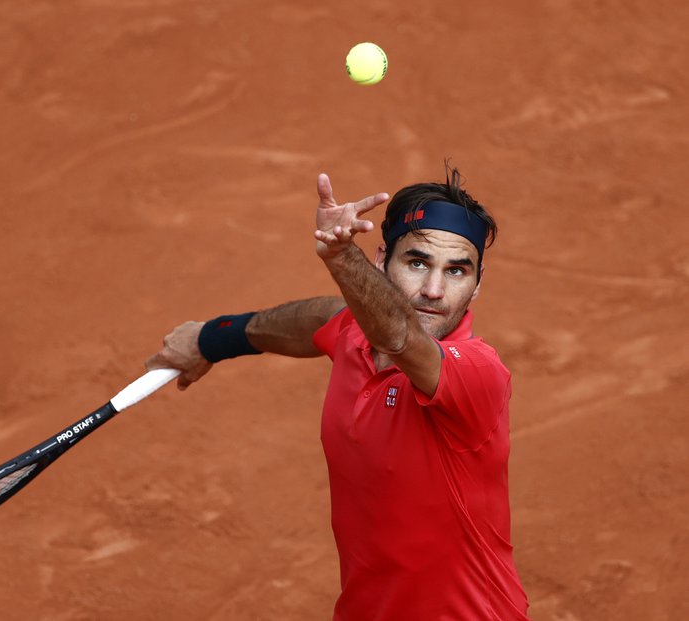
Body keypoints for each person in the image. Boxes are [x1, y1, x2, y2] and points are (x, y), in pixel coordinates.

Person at [145, 165, 531, 620]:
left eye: (457, 271)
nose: (433, 290)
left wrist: (340, 256)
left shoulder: (479, 373)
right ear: (382, 260)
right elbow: (316, 320)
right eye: (417, 262)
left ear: (477, 285)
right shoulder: (356, 331)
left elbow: (400, 336)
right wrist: (213, 338)